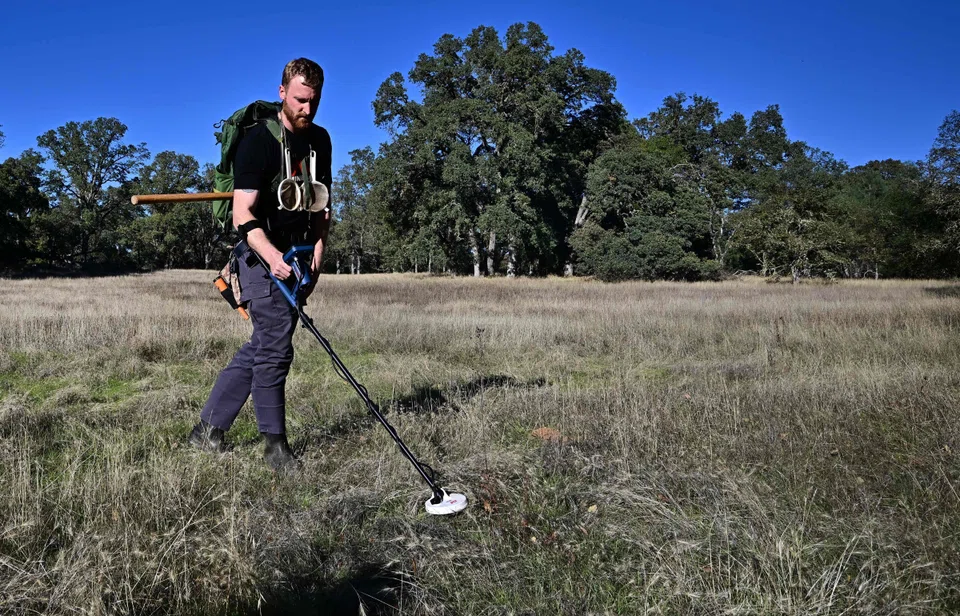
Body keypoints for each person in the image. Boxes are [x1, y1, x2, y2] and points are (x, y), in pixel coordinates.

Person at [188, 58, 332, 471]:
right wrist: (272, 258)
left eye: (315, 101)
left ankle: (207, 432)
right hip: (259, 256)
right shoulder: (258, 142)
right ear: (283, 91)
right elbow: (242, 214)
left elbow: (323, 205)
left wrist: (319, 251)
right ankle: (275, 448)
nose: (307, 108)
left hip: (300, 257)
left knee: (263, 346)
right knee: (274, 349)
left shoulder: (320, 141)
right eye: (301, 99)